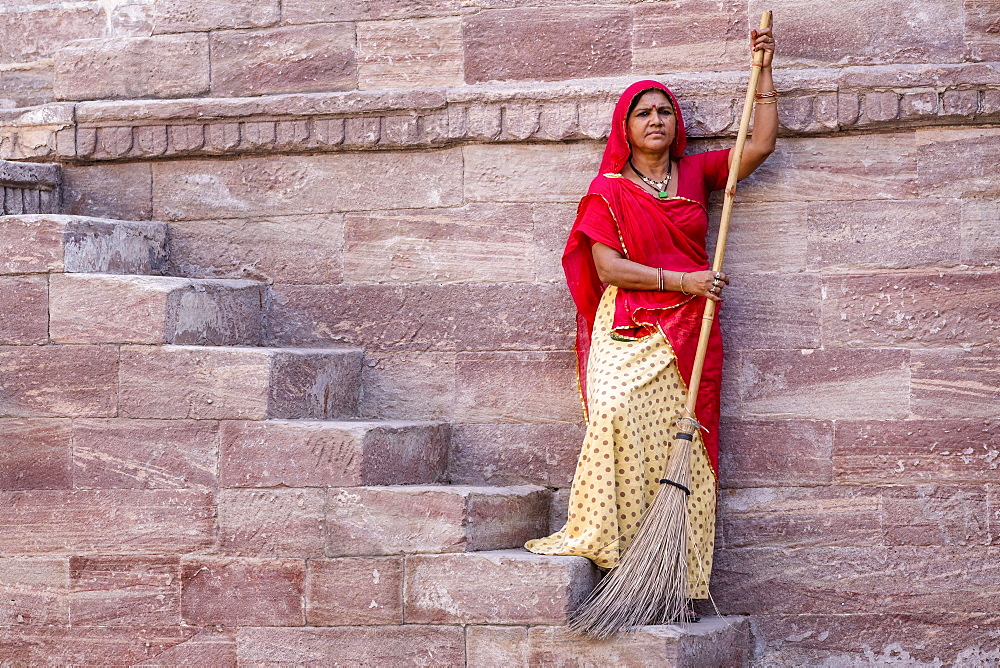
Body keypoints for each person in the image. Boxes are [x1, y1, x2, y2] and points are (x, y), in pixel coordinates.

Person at [526, 27, 777, 605]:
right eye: (643, 113)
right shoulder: (608, 190)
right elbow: (608, 267)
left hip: (691, 330)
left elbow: (759, 144)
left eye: (665, 111)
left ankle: (664, 570)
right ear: (626, 127)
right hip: (631, 322)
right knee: (614, 415)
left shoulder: (696, 174)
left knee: (673, 442)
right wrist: (684, 280)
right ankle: (605, 542)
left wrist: (763, 69)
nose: (656, 120)